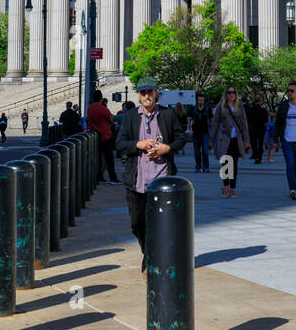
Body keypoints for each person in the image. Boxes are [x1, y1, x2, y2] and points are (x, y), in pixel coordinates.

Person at [114, 77, 186, 273]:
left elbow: (181, 138)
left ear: (156, 93)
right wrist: (138, 144)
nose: (147, 96)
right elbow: (119, 144)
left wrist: (166, 148)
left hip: (162, 178)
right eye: (143, 93)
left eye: (150, 92)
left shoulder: (167, 115)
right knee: (137, 223)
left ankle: (153, 258)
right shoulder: (130, 117)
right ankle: (147, 251)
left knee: (161, 223)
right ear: (138, 95)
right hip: (137, 181)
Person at [210, 87, 251, 198]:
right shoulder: (221, 107)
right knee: (225, 163)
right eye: (229, 92)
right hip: (223, 138)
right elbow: (215, 124)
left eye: (234, 92)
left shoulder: (240, 107)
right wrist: (211, 139)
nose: (232, 94)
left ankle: (233, 188)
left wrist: (246, 140)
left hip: (236, 139)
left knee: (234, 164)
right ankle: (225, 186)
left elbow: (244, 125)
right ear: (226, 94)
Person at [86, 89, 120, 184]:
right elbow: (112, 120)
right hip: (105, 135)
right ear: (101, 99)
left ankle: (99, 177)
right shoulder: (103, 108)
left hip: (95, 136)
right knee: (109, 158)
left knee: (97, 158)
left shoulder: (90, 108)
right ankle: (113, 178)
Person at [190, 93, 212, 173]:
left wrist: (212, 133)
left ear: (204, 100)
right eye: (199, 100)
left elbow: (211, 120)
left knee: (205, 151)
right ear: (197, 100)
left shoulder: (208, 108)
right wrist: (190, 129)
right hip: (195, 133)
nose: (201, 102)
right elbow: (189, 119)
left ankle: (206, 167)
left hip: (205, 133)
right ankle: (198, 167)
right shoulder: (193, 108)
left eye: (202, 100)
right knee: (197, 152)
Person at [245, 94, 268, 164]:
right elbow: (265, 120)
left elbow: (248, 119)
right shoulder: (263, 110)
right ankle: (259, 157)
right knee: (260, 144)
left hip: (253, 128)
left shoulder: (251, 109)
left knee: (253, 142)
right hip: (261, 128)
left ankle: (255, 154)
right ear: (260, 101)